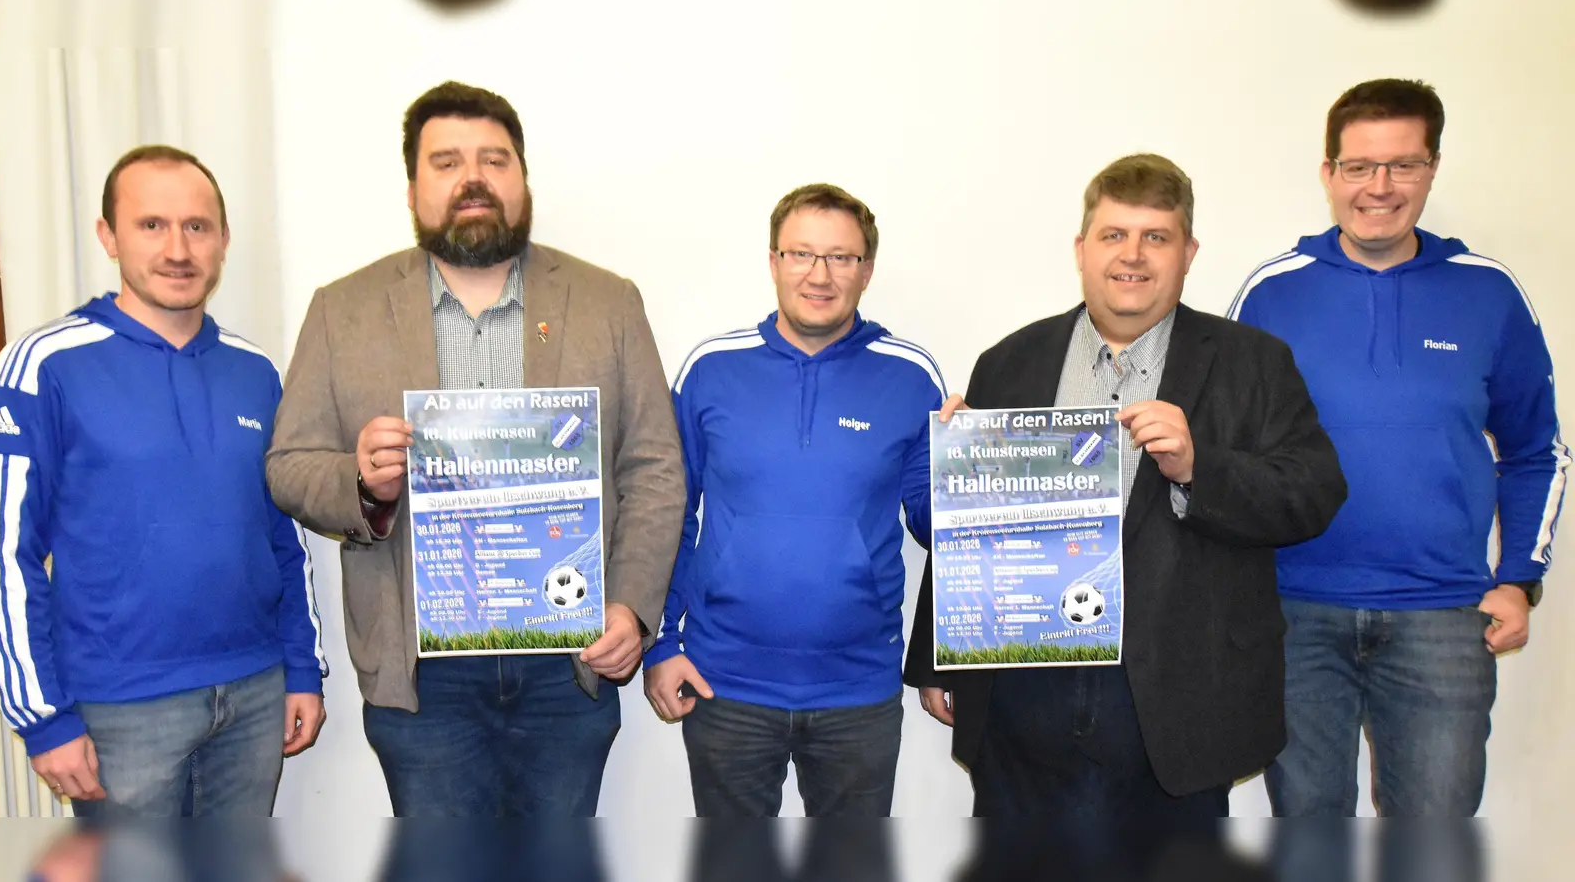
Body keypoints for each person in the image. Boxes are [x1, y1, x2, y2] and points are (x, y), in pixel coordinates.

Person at [265, 81, 685, 816]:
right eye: (447, 161)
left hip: (570, 661)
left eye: (495, 160)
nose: (474, 179)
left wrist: (633, 607)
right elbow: (289, 466)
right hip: (419, 674)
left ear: (522, 180)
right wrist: (362, 482)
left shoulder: (607, 301)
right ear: (411, 188)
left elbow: (653, 468)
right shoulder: (343, 309)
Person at [904, 153, 1347, 826]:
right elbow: (976, 533)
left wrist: (1202, 467)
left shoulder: (1254, 362)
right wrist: (944, 654)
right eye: (1114, 235)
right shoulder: (1010, 360)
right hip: (1027, 699)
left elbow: (1314, 493)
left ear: (1188, 252)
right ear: (1082, 249)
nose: (1132, 256)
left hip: (1179, 703)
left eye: (1156, 237)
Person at [1228, 78, 1569, 816]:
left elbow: (1537, 449)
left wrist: (1519, 577)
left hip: (1444, 620)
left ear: (1432, 169)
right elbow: (1225, 454)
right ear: (1329, 174)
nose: (1379, 187)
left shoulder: (1489, 292)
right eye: (1358, 167)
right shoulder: (1270, 293)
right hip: (1295, 617)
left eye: (1403, 165)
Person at [0, 145, 326, 816]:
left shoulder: (256, 371)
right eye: (151, 225)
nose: (178, 248)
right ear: (108, 236)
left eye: (197, 226)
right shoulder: (43, 363)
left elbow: (283, 536)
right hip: (119, 709)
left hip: (253, 694)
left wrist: (302, 668)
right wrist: (42, 717)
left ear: (222, 241)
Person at [641, 183, 949, 817]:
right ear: (774, 261)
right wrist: (661, 645)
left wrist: (969, 466)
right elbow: (668, 512)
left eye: (841, 257)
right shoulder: (710, 368)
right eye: (802, 254)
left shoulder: (912, 374)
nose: (820, 274)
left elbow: (931, 523)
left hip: (858, 691)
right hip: (723, 684)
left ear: (866, 270)